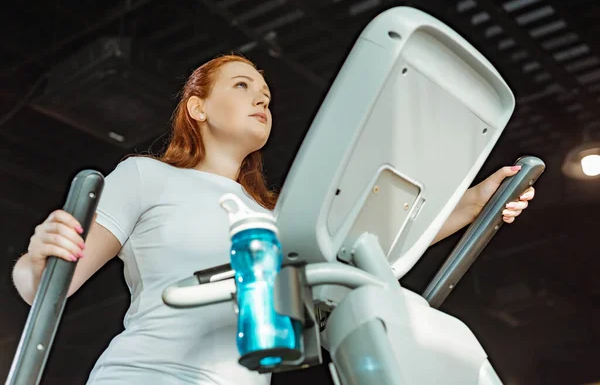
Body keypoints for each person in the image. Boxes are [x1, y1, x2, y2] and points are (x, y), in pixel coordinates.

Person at [11, 54, 536, 384]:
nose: (261, 97)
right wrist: (40, 254)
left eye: (265, 94)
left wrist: (478, 203)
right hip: (151, 372)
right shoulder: (146, 177)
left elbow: (368, 245)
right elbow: (47, 287)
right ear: (198, 107)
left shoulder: (282, 216)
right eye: (241, 86)